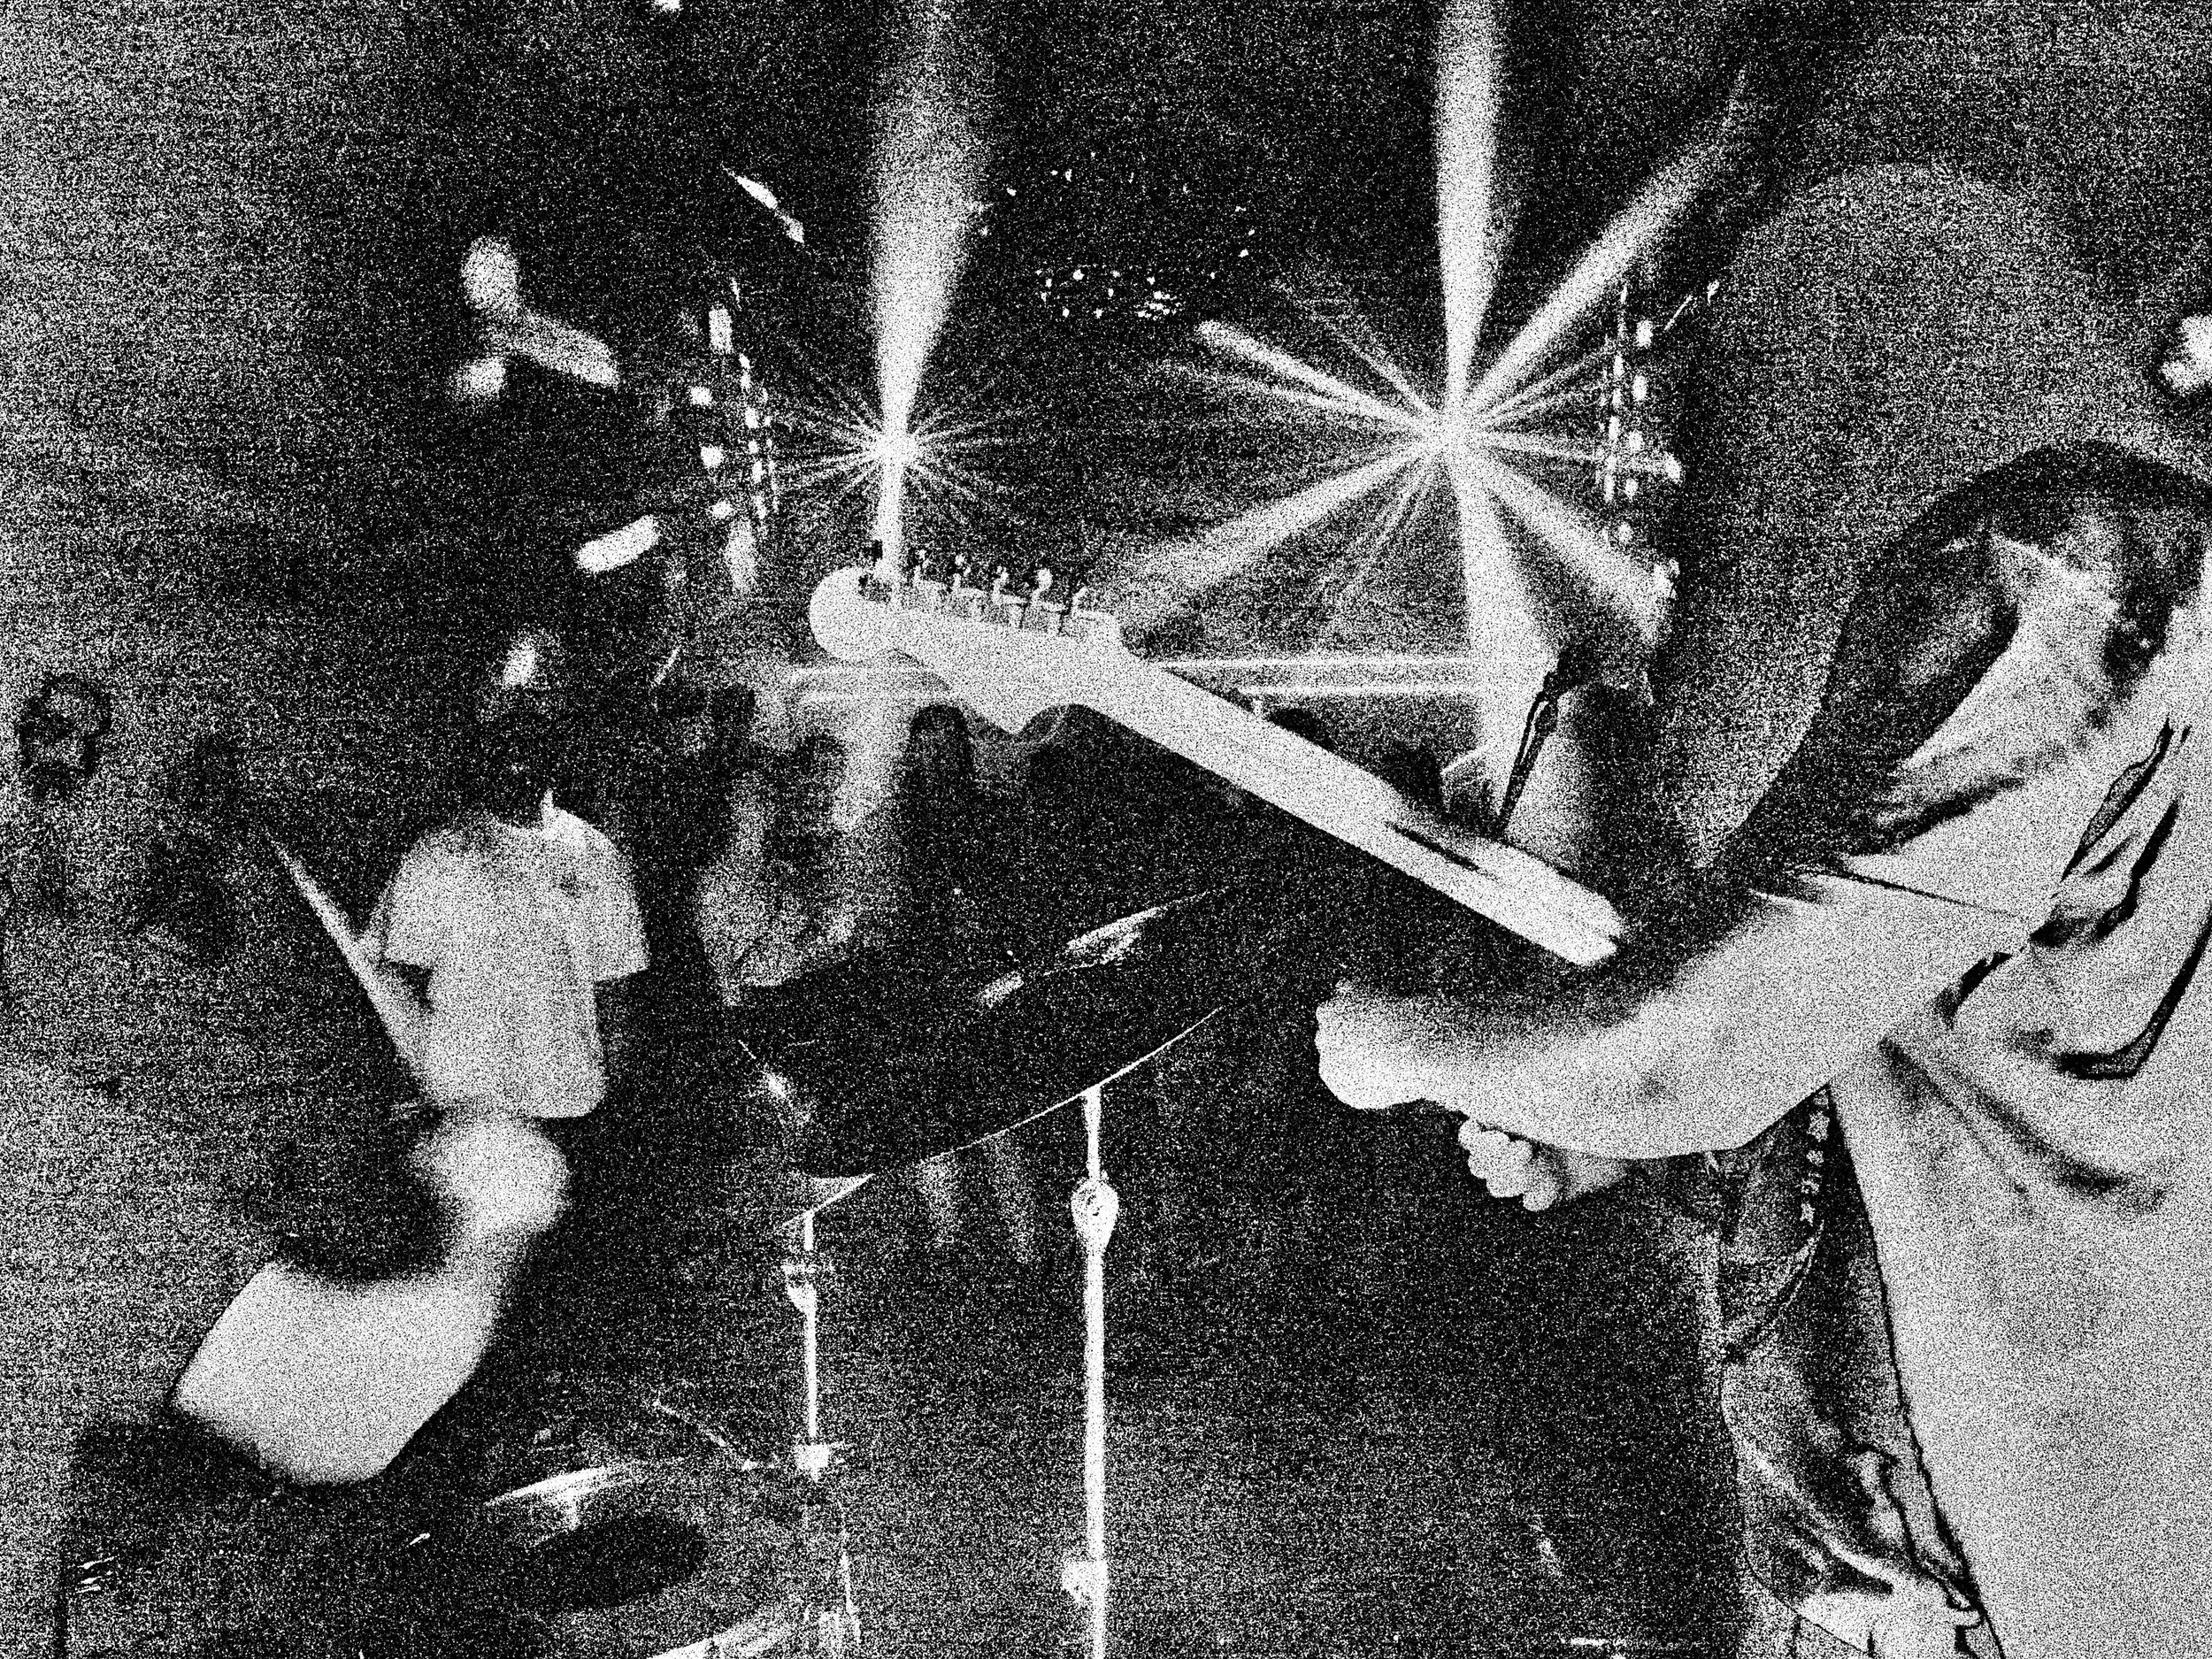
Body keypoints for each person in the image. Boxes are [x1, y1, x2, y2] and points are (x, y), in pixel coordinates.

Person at [1316, 166, 2212, 1659]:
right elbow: (1938, 1048)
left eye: (1726, 423)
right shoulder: (2139, 595)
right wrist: (1601, 1123)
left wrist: (1409, 1042)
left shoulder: (2062, 577)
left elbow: (1702, 1044)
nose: (1701, 506)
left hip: (2014, 1553)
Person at [367, 710, 648, 1133]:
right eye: (504, 747)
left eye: (530, 746)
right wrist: (409, 1091)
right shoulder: (436, 856)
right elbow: (395, 986)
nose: (518, 761)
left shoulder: (593, 854)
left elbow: (616, 983)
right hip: (462, 1103)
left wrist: (622, 1100)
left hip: (568, 1096)